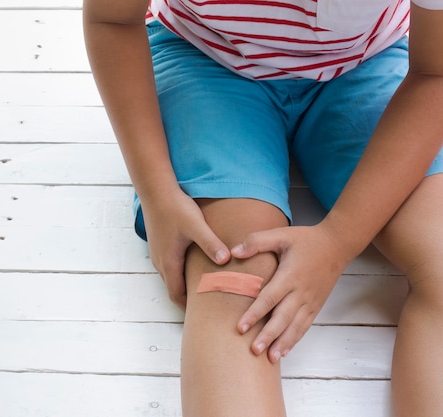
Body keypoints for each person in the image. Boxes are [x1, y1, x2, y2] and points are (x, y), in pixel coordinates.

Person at [83, 0, 443, 415]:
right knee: (235, 280)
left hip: (368, 63)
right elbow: (111, 17)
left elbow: (434, 72)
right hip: (205, 57)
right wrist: (158, 192)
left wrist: (338, 239)